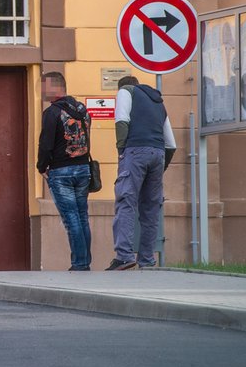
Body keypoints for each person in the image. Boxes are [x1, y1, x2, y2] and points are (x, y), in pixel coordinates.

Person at [108, 76, 177, 270]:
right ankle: (146, 259)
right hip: (159, 153)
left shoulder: (126, 91)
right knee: (151, 209)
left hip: (135, 151)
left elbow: (122, 120)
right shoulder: (158, 102)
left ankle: (124, 256)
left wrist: (121, 152)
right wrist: (161, 166)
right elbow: (171, 143)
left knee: (126, 202)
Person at [36, 72, 93, 271]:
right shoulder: (82, 110)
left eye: (43, 86)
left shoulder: (52, 113)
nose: (41, 90)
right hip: (83, 168)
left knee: (71, 218)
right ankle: (85, 261)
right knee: (82, 216)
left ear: (54, 87)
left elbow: (45, 144)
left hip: (62, 171)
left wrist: (41, 167)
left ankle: (80, 264)